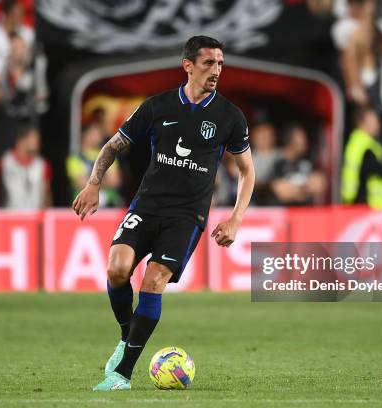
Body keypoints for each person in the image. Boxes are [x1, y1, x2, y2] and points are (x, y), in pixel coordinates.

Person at [72, 36, 255, 391]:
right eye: (208, 63)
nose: (216, 70)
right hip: (147, 205)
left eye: (220, 63)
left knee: (153, 280)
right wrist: (94, 183)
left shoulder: (229, 117)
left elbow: (248, 171)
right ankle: (128, 337)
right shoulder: (157, 107)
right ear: (188, 65)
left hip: (186, 216)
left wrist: (235, 218)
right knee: (117, 270)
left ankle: (121, 374)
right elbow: (112, 147)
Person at [0, 0, 34, 106]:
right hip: (1, 88)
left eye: (22, 13)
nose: (20, 17)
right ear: (7, 14)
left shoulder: (28, 33)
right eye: (16, 14)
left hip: (25, 86)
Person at [341, 107, 382, 209]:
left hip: (375, 206)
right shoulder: (360, 146)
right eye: (374, 119)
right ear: (362, 122)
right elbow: (356, 177)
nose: (378, 123)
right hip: (366, 205)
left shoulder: (369, 143)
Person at [66, 121, 122, 207]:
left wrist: (92, 182)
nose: (99, 136)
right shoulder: (74, 158)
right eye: (95, 133)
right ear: (85, 135)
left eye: (100, 133)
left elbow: (115, 181)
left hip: (110, 205)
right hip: (84, 206)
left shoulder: (108, 155)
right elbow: (81, 183)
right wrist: (104, 180)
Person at [270, 123, 327, 206]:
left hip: (307, 213)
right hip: (285, 213)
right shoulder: (278, 163)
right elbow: (281, 192)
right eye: (301, 138)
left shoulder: (309, 162)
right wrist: (306, 189)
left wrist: (295, 190)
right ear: (289, 141)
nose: (305, 141)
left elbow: (320, 185)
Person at [0, 124, 51, 209]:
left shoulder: (42, 164)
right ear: (21, 140)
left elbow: (46, 193)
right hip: (10, 217)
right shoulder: (5, 162)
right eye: (34, 138)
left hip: (34, 218)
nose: (37, 142)